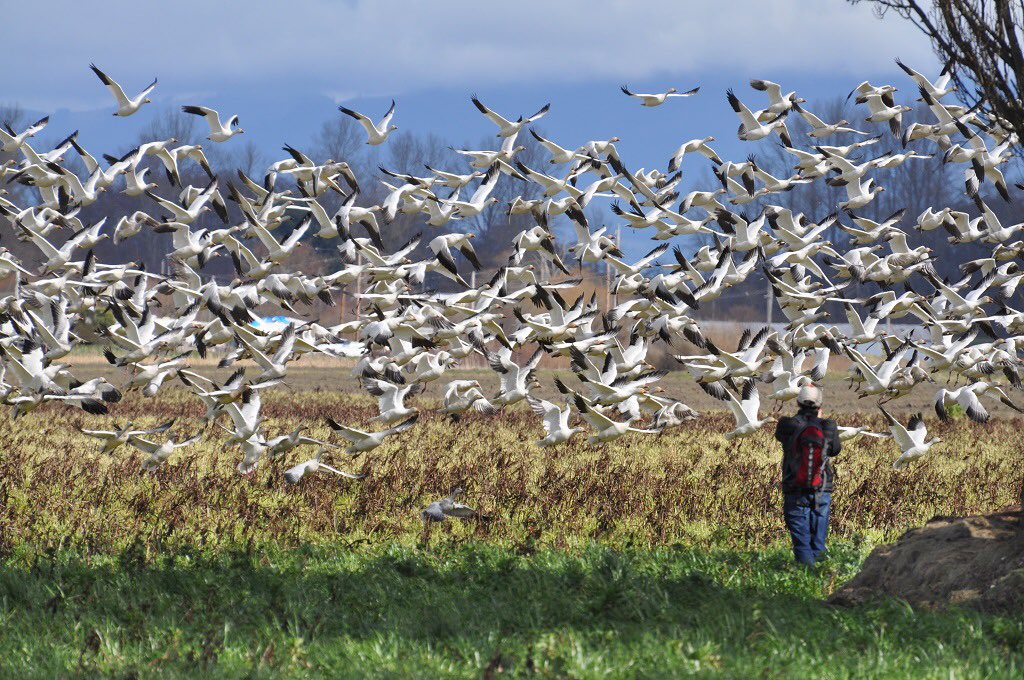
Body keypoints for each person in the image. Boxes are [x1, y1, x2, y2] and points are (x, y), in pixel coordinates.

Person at [773, 382, 842, 566]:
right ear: (820, 405)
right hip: (822, 489)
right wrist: (820, 419)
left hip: (794, 487)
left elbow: (779, 436)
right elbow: (835, 450)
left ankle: (807, 576)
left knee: (802, 541)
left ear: (798, 402)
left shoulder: (787, 424)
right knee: (818, 541)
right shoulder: (828, 426)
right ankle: (819, 577)